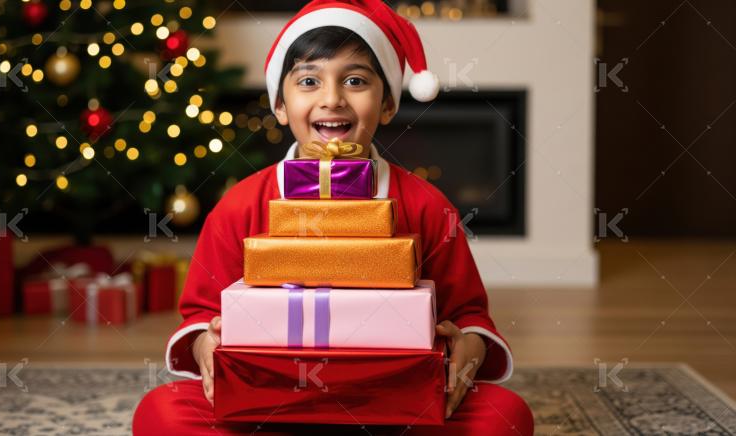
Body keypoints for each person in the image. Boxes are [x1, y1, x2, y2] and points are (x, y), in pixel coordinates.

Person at [133, 1, 534, 434]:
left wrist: (465, 353)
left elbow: (469, 313)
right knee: (162, 412)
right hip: (269, 402)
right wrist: (205, 346)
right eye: (309, 81)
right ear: (281, 106)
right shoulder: (241, 205)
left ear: (387, 105)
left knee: (504, 417)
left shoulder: (425, 205)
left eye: (356, 80)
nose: (332, 99)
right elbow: (200, 315)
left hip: (393, 399)